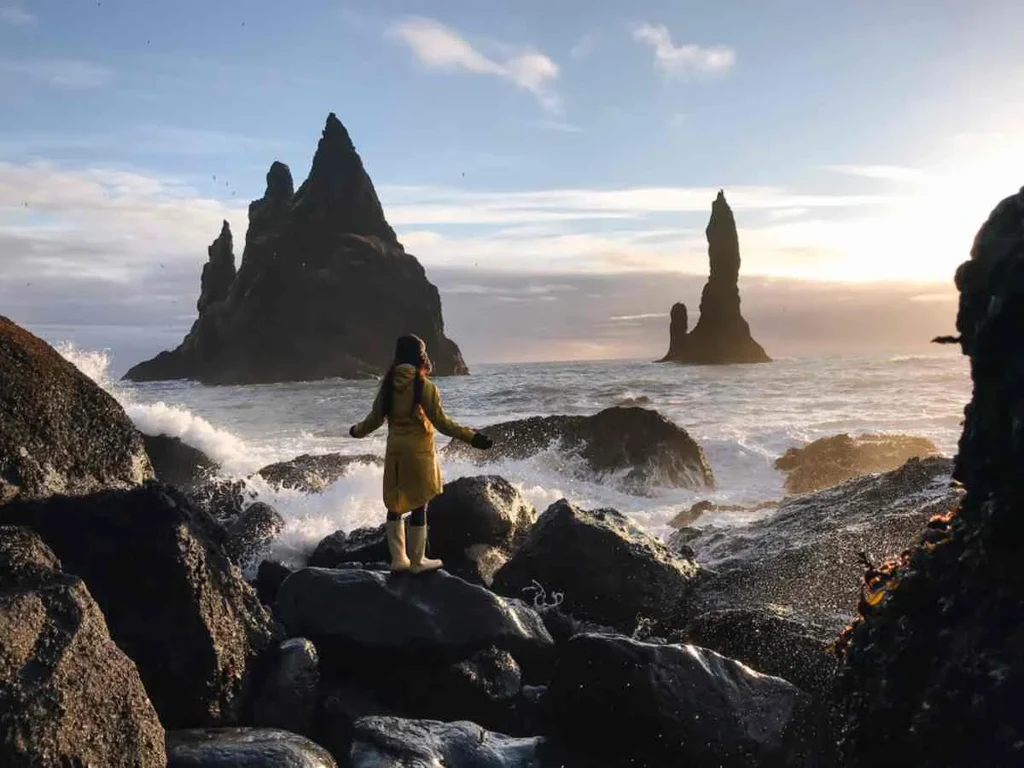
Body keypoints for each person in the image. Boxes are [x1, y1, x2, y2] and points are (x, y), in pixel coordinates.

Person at [349, 334, 493, 573]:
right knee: (419, 504)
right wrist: (472, 437)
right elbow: (442, 423)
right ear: (420, 355)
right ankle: (417, 561)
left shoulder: (387, 386)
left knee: (394, 504)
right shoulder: (424, 386)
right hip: (418, 454)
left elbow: (373, 421)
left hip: (395, 453)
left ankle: (398, 560)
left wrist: (356, 431)